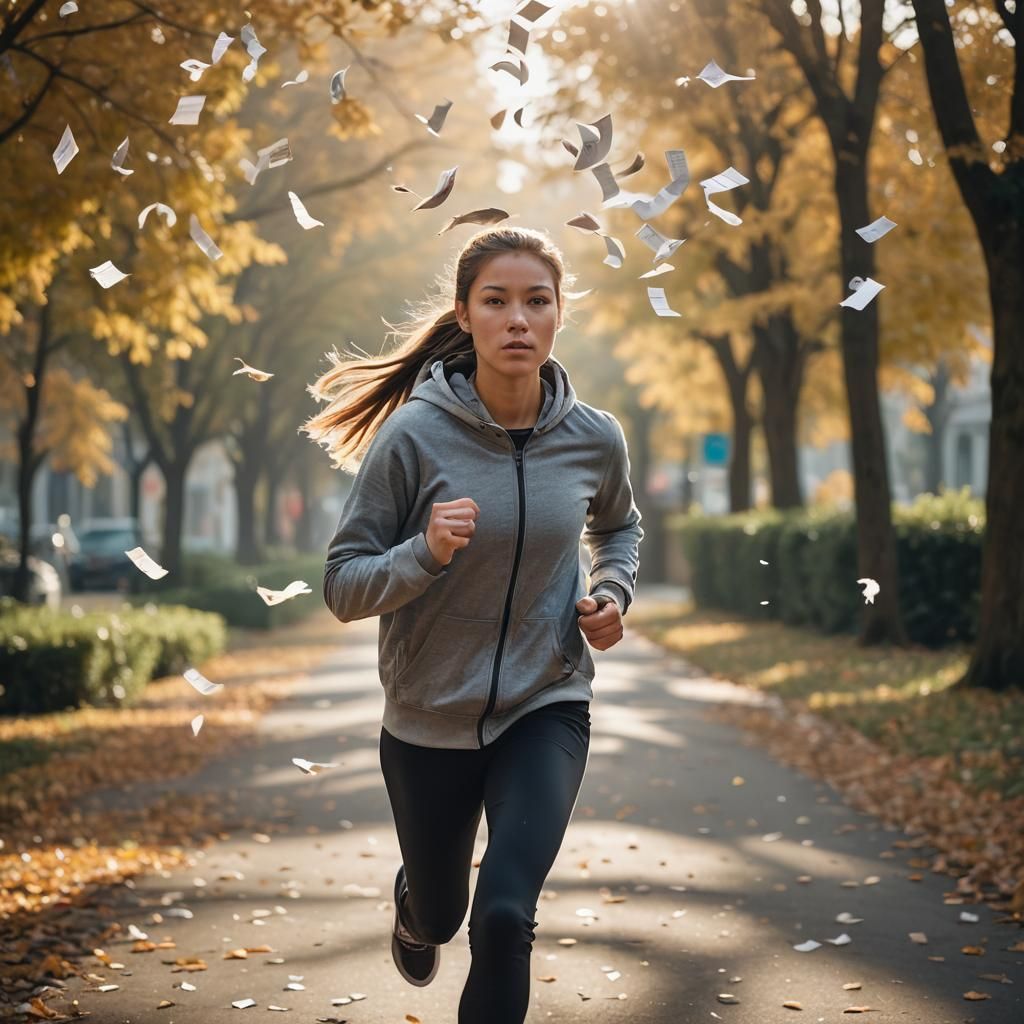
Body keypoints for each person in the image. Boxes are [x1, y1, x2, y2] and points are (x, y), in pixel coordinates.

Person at [304, 226, 643, 1023]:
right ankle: (414, 907)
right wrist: (422, 554)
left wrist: (613, 593)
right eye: (496, 301)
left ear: (560, 315)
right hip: (428, 720)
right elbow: (342, 585)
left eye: (536, 301)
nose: (517, 319)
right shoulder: (413, 438)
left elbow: (621, 528)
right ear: (466, 314)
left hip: (546, 705)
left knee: (503, 919)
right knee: (443, 915)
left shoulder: (594, 437)